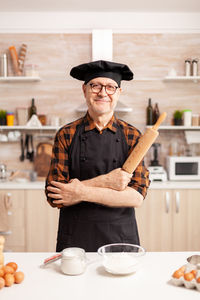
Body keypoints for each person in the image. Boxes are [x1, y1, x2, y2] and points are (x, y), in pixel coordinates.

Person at [45, 60, 150, 252]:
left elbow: (136, 197)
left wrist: (79, 192)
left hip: (121, 238)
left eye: (110, 87)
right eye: (95, 86)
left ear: (118, 93)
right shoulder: (66, 134)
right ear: (84, 90)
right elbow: (56, 196)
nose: (103, 93)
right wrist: (107, 181)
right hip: (75, 239)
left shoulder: (133, 136)